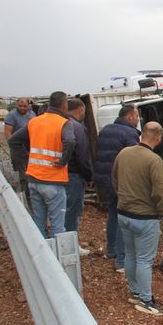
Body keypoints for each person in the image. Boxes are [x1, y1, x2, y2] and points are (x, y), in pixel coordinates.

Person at [113, 122, 163, 316]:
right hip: (146, 217)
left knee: (130, 255)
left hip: (124, 214)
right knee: (145, 260)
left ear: (142, 134)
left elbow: (115, 180)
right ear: (159, 137)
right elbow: (161, 192)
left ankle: (135, 292)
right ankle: (146, 300)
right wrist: (162, 211)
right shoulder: (154, 160)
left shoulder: (123, 153)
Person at [8, 91, 75, 238]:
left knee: (39, 219)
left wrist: (27, 159)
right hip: (54, 180)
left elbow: (13, 140)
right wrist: (63, 161)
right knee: (57, 223)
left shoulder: (34, 121)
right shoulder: (64, 123)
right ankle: (56, 258)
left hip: (33, 179)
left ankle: (41, 253)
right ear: (64, 105)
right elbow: (70, 141)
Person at [94, 105, 140, 272]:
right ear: (128, 116)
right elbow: (134, 160)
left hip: (106, 181)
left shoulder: (105, 130)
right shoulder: (130, 134)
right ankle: (121, 261)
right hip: (121, 182)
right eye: (136, 116)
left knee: (113, 214)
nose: (138, 119)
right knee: (124, 219)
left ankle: (111, 251)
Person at [65, 99, 92, 255]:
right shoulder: (77, 127)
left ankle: (62, 244)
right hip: (74, 175)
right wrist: (88, 176)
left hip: (59, 174)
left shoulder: (61, 123)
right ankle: (70, 247)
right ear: (81, 109)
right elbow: (82, 155)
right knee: (73, 211)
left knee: (62, 211)